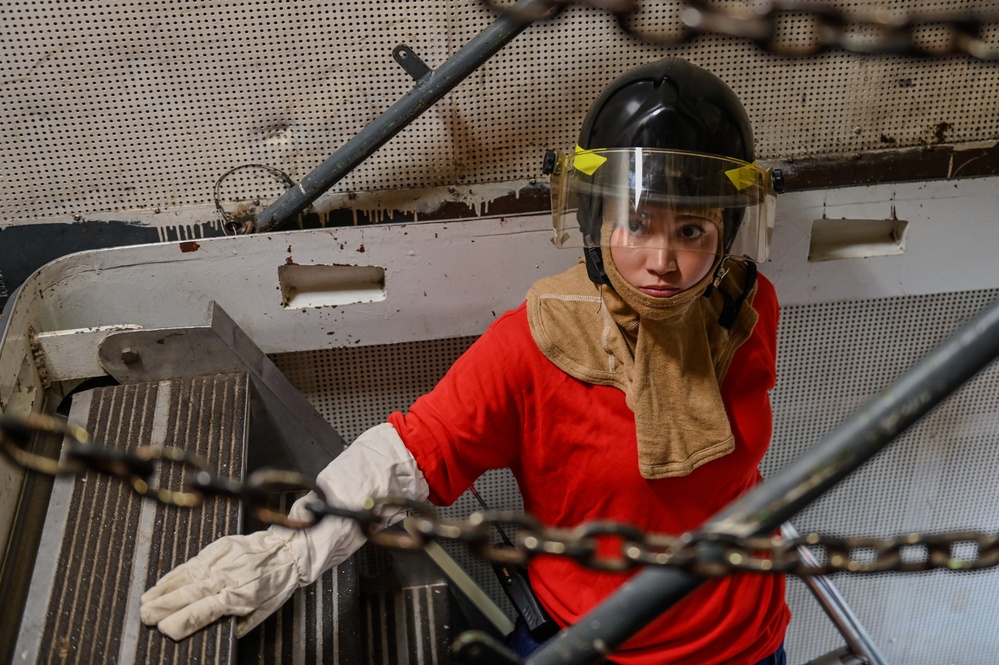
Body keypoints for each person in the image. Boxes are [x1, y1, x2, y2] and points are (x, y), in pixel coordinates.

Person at [140, 57, 789, 664]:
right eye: (639, 224)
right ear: (596, 220)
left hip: (755, 639)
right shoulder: (533, 346)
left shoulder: (748, 306)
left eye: (691, 231)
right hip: (603, 646)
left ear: (725, 231)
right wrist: (291, 548)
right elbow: (408, 452)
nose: (663, 261)